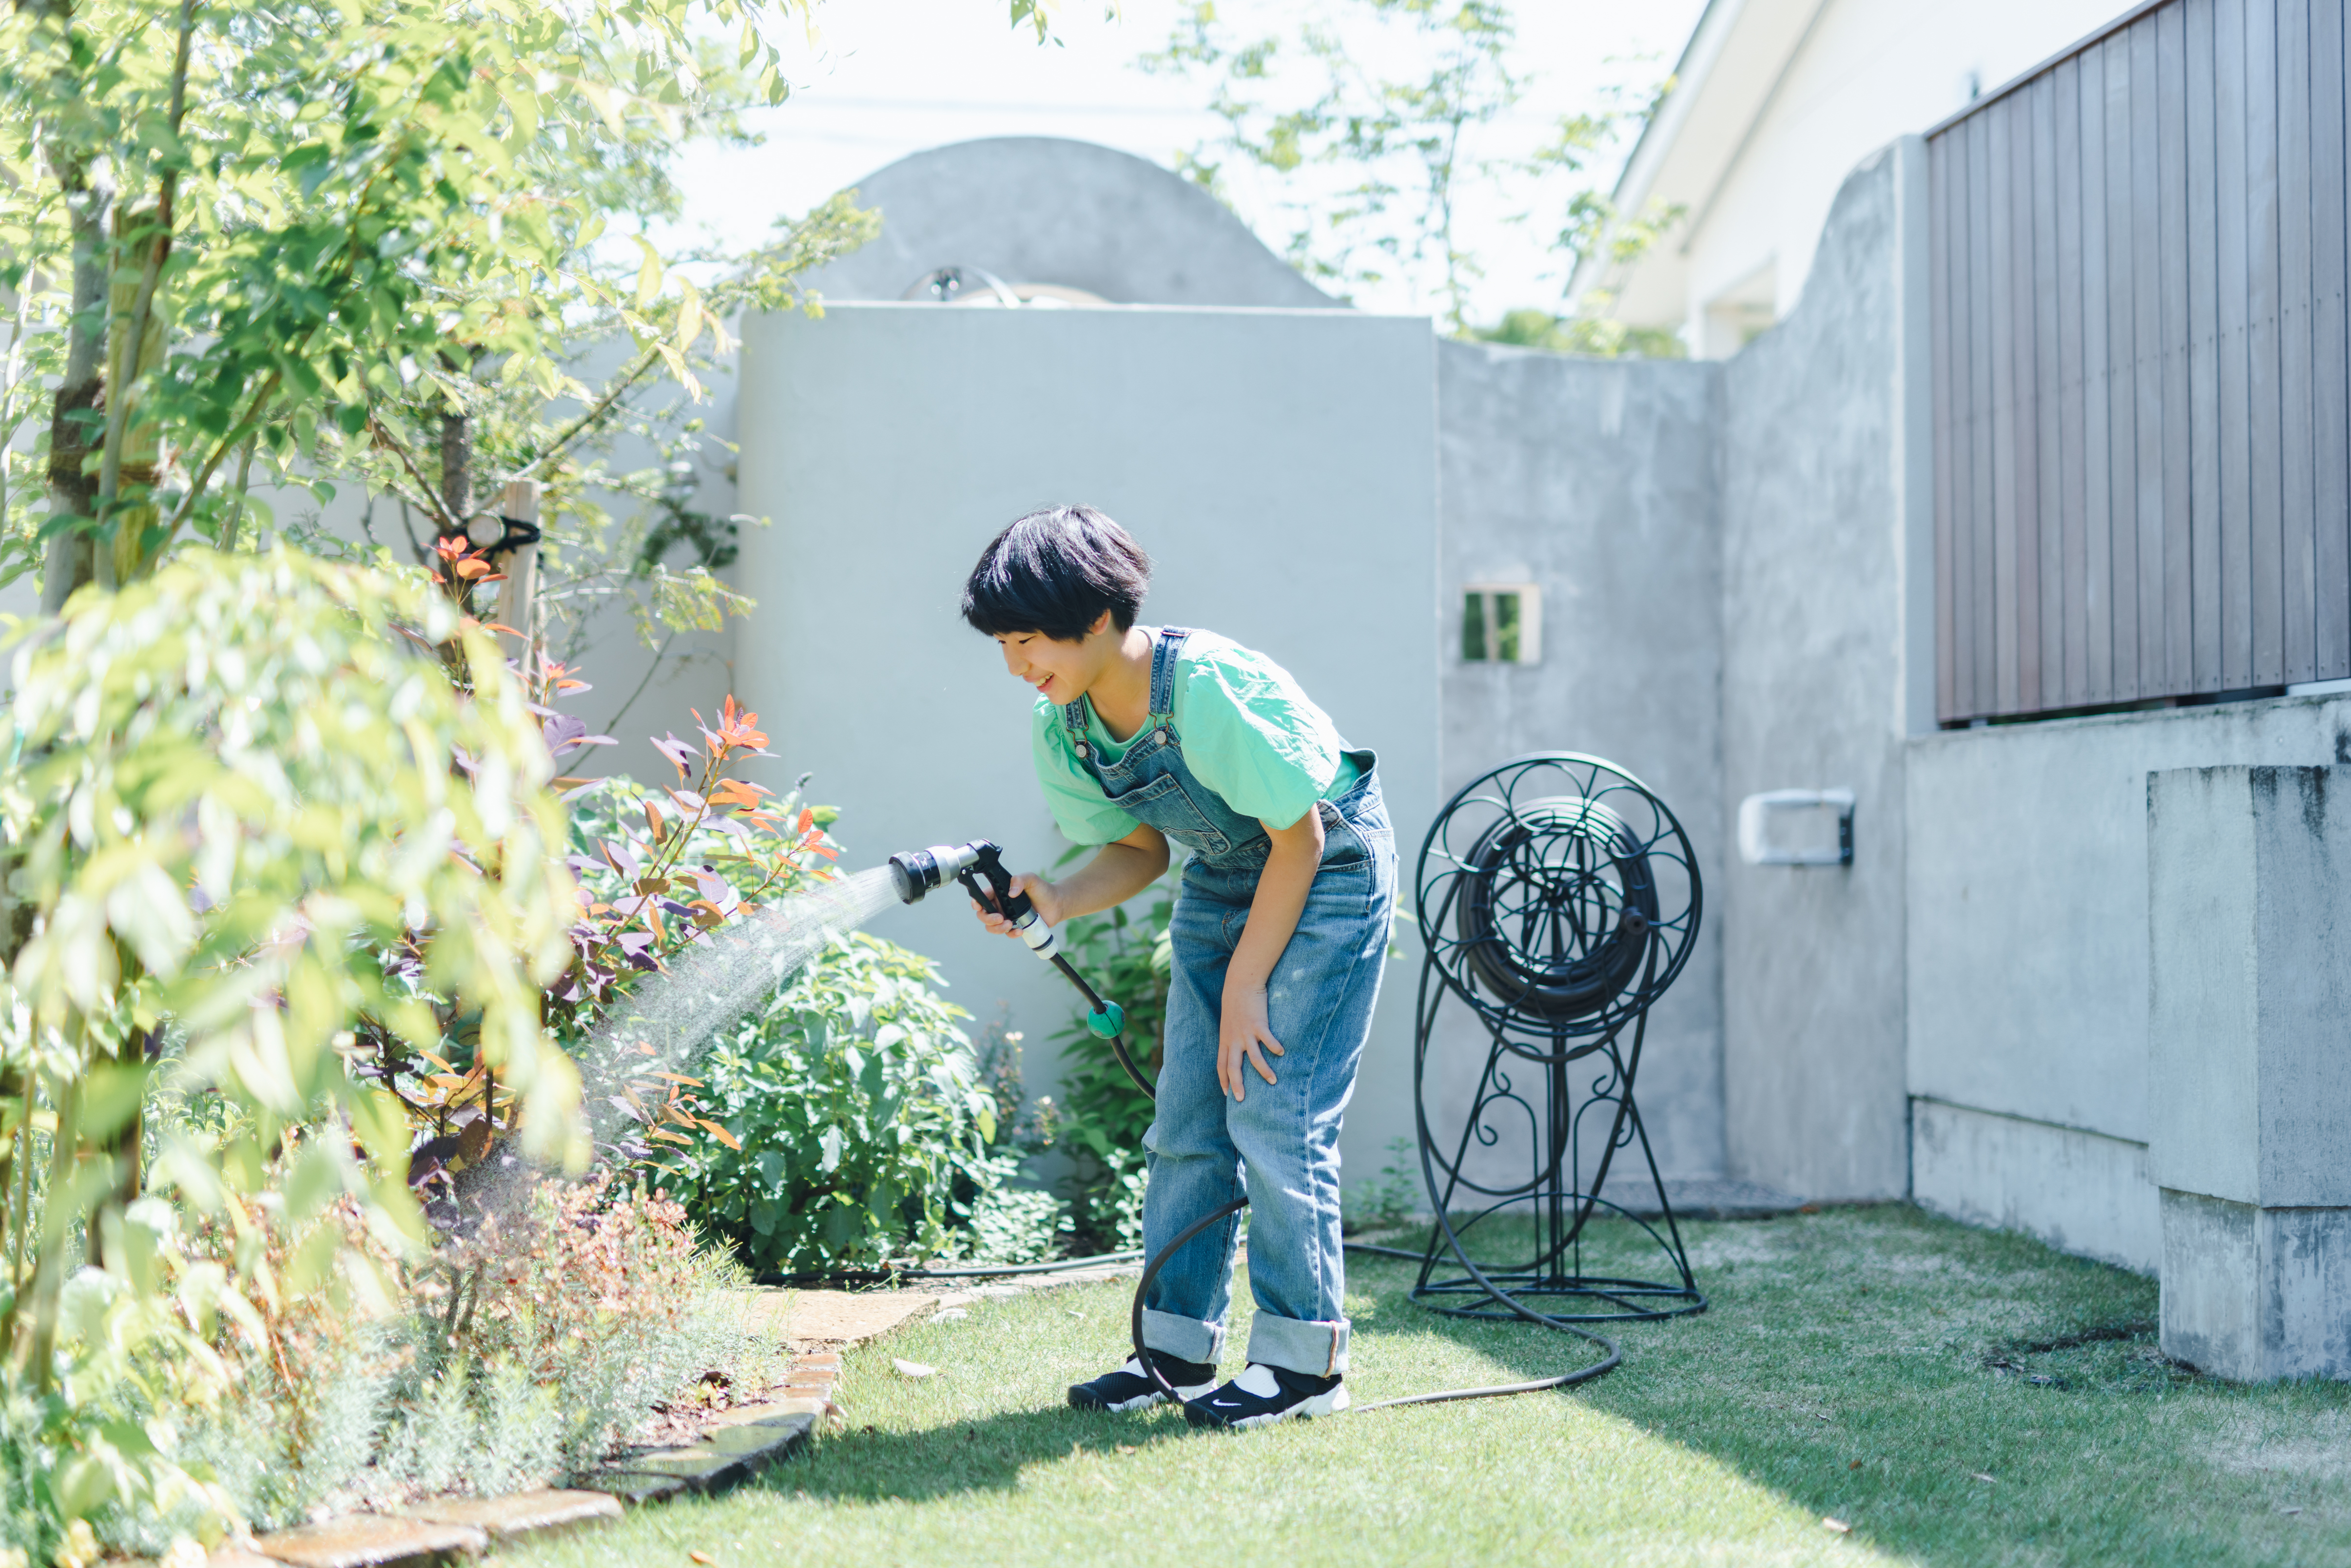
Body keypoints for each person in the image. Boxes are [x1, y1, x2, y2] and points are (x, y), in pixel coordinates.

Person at [960, 504, 1397, 1430]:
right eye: (1004, 643)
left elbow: (1301, 834)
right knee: (1189, 1115)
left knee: (1276, 1107)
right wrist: (1058, 897)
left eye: (1028, 638)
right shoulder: (1065, 729)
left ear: (1095, 615)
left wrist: (1246, 985)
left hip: (1328, 868)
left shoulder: (1204, 688)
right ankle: (1176, 1351)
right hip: (1228, 876)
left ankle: (1305, 1367)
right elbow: (1145, 852)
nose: (1016, 665)